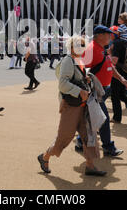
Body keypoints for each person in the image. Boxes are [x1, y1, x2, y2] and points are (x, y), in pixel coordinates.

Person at [37, 35, 107, 176]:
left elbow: (76, 79)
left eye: (82, 45)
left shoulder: (79, 60)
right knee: (64, 137)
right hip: (71, 106)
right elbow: (63, 83)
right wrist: (79, 91)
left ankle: (90, 166)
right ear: (71, 46)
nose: (80, 47)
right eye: (77, 45)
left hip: (82, 106)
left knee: (89, 135)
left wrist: (86, 80)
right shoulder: (68, 60)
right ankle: (44, 157)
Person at [76, 25, 124, 157]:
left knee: (93, 118)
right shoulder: (91, 49)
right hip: (94, 91)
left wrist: (120, 78)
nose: (110, 36)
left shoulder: (102, 49)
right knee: (103, 118)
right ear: (100, 35)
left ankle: (80, 141)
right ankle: (108, 147)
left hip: (103, 89)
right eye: (108, 34)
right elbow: (82, 71)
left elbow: (108, 65)